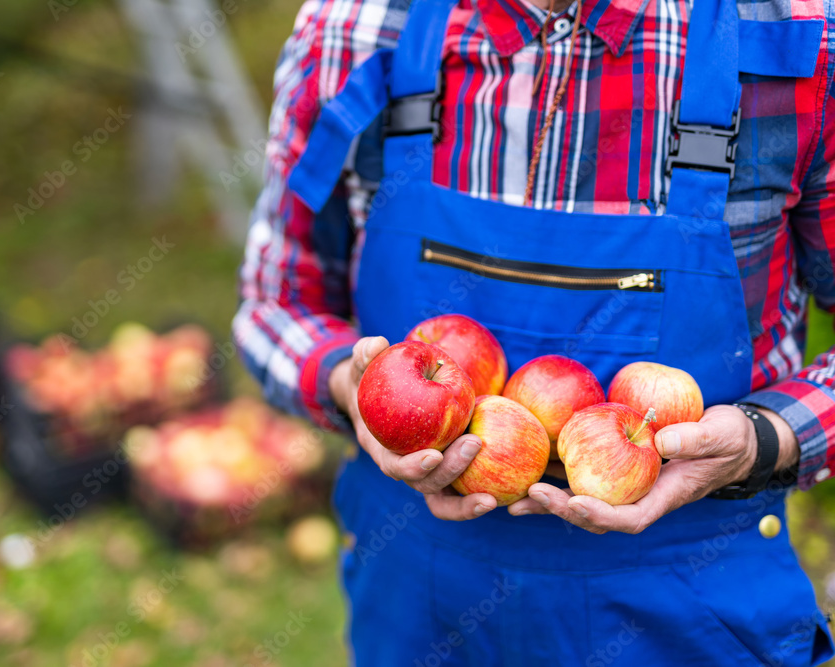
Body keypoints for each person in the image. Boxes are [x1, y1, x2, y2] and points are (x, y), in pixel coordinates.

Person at [234, 0, 835, 663]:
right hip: (418, 609)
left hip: (689, 616)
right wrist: (352, 383)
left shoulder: (795, 46)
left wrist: (765, 436)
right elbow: (275, 301)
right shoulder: (356, 31)